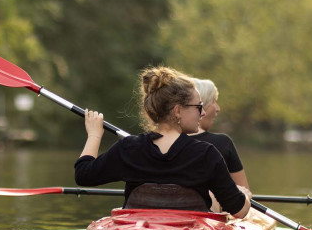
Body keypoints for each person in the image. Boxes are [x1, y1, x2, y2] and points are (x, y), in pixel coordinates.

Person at [74, 66, 251, 218]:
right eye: (198, 107)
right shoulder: (206, 154)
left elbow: (83, 175)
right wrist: (244, 196)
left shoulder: (129, 148)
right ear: (178, 111)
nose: (202, 113)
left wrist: (94, 135)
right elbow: (239, 211)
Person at [191, 77, 249, 190]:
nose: (218, 108)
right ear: (199, 105)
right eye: (213, 101)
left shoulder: (161, 143)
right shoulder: (222, 143)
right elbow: (243, 192)